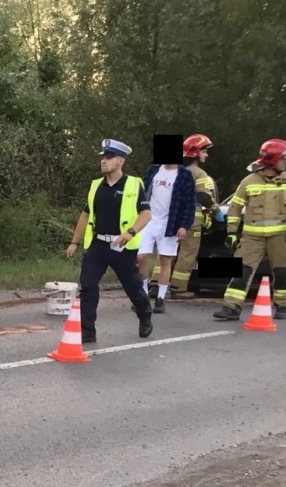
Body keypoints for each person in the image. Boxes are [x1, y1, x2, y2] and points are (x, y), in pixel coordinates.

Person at [64, 139, 154, 344]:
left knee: (132, 286)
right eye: (103, 157)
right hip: (98, 245)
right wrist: (74, 242)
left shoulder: (133, 184)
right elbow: (86, 215)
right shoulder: (96, 185)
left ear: (120, 161)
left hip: (122, 247)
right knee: (87, 286)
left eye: (109, 157)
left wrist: (130, 232)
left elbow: (146, 214)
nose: (104, 161)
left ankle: (144, 313)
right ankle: (88, 330)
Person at [214, 139, 286, 322]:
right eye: (283, 159)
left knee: (283, 271)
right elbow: (235, 208)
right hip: (252, 237)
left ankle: (282, 305)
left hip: (281, 236)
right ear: (273, 159)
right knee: (241, 270)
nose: (285, 163)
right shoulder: (249, 181)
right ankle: (231, 307)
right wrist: (232, 232)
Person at [136, 152, 195, 313]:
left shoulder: (184, 175)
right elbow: (142, 193)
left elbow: (190, 203)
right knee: (140, 256)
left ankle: (160, 298)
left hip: (170, 223)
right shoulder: (153, 170)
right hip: (149, 220)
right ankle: (143, 295)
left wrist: (184, 225)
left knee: (165, 260)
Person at [168, 134, 219, 300]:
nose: (207, 155)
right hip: (191, 221)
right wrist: (215, 209)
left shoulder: (174, 171)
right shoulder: (199, 173)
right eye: (204, 151)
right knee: (187, 253)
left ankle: (156, 285)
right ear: (196, 153)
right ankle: (179, 288)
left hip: (171, 218)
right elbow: (204, 196)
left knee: (168, 252)